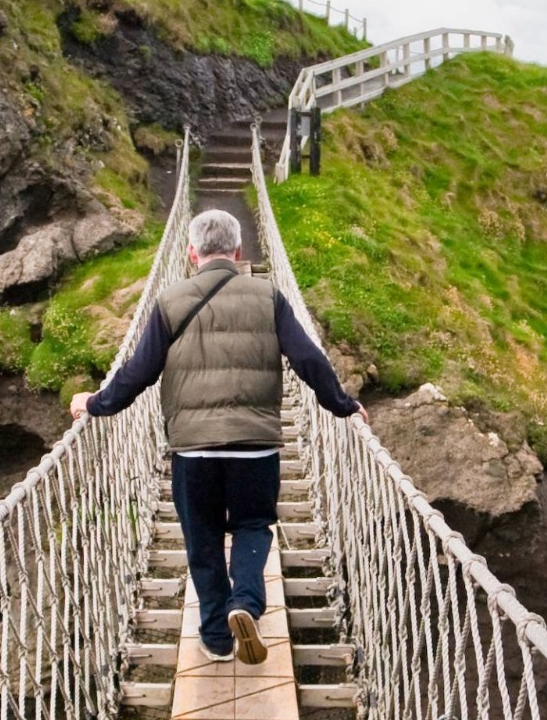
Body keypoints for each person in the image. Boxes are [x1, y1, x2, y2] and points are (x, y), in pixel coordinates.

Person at [72, 206, 360, 661]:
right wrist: (343, 406)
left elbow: (138, 373)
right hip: (256, 444)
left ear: (190, 253)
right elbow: (309, 360)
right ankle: (244, 602)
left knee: (202, 539)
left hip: (193, 449)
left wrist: (94, 403)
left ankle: (216, 637)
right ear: (238, 250)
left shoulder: (170, 302)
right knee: (253, 525)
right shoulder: (268, 297)